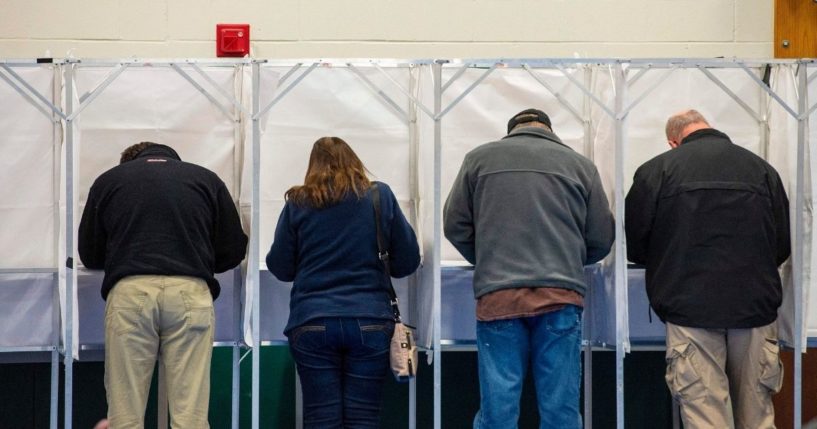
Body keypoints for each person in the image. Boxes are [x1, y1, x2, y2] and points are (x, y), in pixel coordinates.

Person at [443, 109, 614, 429]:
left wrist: (487, 258)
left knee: (499, 408)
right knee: (560, 409)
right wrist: (568, 261)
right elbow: (601, 237)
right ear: (548, 130)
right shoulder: (581, 166)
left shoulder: (478, 160)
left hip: (499, 297)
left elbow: (455, 226)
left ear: (512, 130)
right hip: (560, 296)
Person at [625, 109, 790, 429]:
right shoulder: (762, 170)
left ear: (673, 141)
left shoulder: (655, 171)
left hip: (689, 308)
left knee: (705, 415)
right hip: (755, 306)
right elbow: (782, 243)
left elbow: (637, 245)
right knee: (757, 415)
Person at [78, 142, 248, 428]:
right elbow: (233, 248)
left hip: (131, 291)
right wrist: (200, 260)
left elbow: (90, 252)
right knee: (190, 414)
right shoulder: (206, 180)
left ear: (128, 163)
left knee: (125, 413)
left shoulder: (109, 181)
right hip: (190, 292)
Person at [266, 136, 421, 429]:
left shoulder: (298, 202)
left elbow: (281, 267)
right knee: (363, 417)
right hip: (370, 318)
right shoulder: (380, 196)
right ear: (355, 162)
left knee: (321, 417)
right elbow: (408, 261)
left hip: (312, 319)